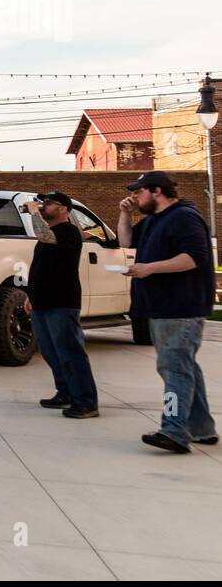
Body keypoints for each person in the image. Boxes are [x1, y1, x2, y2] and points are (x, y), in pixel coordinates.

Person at [118, 171, 218, 453]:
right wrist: (126, 214)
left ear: (157, 191)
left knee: (173, 367)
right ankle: (202, 429)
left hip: (180, 307)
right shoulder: (153, 220)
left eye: (139, 192)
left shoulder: (183, 217)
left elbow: (193, 258)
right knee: (185, 366)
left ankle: (174, 430)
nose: (135, 197)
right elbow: (126, 243)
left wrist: (149, 268)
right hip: (162, 306)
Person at [24, 191, 99, 418]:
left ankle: (86, 402)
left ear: (64, 208)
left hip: (62, 303)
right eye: (42, 203)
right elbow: (40, 266)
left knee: (70, 352)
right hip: (42, 302)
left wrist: (34, 212)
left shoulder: (68, 231)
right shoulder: (48, 234)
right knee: (50, 352)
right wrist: (31, 295)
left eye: (49, 203)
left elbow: (44, 235)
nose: (44, 206)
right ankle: (65, 393)